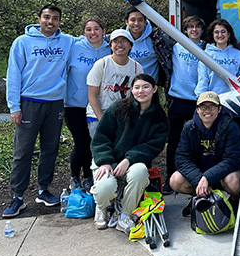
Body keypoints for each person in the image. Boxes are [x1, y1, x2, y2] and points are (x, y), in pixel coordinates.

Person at [3, 5, 74, 218]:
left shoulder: (68, 42)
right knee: (23, 151)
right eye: (46, 17)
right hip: (29, 103)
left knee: (50, 148)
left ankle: (44, 190)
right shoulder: (22, 42)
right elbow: (14, 74)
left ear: (60, 21)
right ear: (38, 19)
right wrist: (14, 106)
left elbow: (93, 38)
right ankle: (17, 196)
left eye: (55, 18)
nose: (50, 21)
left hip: (55, 103)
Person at [91, 74, 169, 233]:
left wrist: (129, 159)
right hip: (107, 161)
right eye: (137, 87)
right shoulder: (118, 108)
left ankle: (125, 215)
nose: (141, 91)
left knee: (140, 171)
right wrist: (105, 160)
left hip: (133, 164)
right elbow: (100, 138)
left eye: (146, 87)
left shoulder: (160, 118)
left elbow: (152, 147)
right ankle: (102, 207)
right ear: (131, 90)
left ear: (154, 89)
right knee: (106, 187)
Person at [170, 91, 240, 214]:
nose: (207, 110)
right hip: (199, 174)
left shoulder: (230, 127)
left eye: (212, 106)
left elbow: (233, 159)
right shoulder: (189, 127)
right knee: (175, 180)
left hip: (223, 176)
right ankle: (199, 197)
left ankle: (234, 202)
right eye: (203, 107)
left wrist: (208, 177)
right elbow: (182, 158)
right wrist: (199, 179)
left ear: (219, 109)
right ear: (197, 109)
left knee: (234, 181)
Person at [64, 17, 111, 193]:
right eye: (89, 29)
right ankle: (75, 176)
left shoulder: (109, 49)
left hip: (100, 104)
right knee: (81, 142)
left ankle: (89, 177)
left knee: (94, 141)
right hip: (75, 104)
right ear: (84, 32)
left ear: (103, 30)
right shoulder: (74, 47)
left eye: (97, 29)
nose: (93, 33)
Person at [165, 15, 206, 194]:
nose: (194, 30)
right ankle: (170, 177)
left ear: (202, 30)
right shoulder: (176, 46)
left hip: (197, 101)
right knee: (174, 140)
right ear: (185, 30)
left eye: (197, 26)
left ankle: (195, 177)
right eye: (190, 27)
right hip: (177, 98)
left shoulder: (206, 48)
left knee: (196, 141)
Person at [86, 29, 143, 138]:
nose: (119, 45)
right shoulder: (101, 65)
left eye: (124, 41)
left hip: (122, 116)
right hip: (98, 115)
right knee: (102, 150)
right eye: (115, 41)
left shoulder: (136, 68)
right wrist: (103, 120)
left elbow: (137, 96)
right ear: (111, 45)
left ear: (130, 45)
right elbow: (92, 96)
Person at [123, 6, 174, 87]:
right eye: (133, 20)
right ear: (127, 22)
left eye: (140, 20)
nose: (136, 23)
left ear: (145, 22)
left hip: (150, 88)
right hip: (126, 88)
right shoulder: (120, 39)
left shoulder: (156, 38)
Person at [195, 19, 240, 96]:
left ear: (229, 34)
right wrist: (201, 97)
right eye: (216, 32)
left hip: (234, 99)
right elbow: (203, 79)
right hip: (213, 100)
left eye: (223, 31)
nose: (220, 35)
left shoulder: (237, 54)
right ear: (212, 35)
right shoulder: (206, 54)